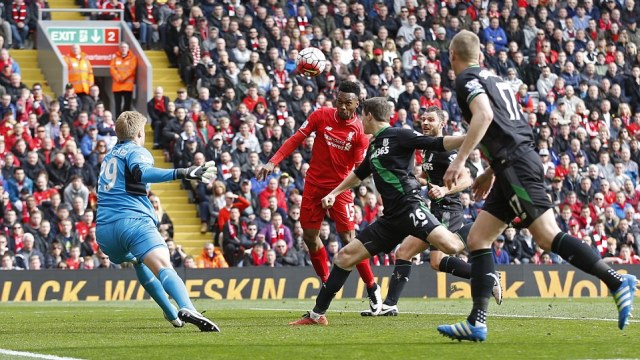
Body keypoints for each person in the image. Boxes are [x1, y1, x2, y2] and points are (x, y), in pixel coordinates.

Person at [437, 30, 636, 342]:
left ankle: (616, 281)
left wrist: (459, 161)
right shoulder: (497, 79)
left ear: (452, 55)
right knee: (477, 239)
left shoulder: (465, 80)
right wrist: (491, 171)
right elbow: (511, 126)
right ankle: (476, 322)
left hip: (515, 164)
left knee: (546, 236)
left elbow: (485, 116)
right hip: (510, 164)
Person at [289, 97, 467, 326]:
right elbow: (359, 173)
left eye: (362, 115)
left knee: (451, 246)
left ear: (370, 116)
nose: (360, 120)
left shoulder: (400, 134)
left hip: (410, 207)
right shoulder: (373, 145)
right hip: (391, 218)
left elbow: (437, 143)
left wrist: (469, 138)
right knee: (344, 257)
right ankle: (316, 315)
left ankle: (482, 232)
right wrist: (335, 192)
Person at [360, 106, 502, 317]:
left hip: (448, 209)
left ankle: (486, 273)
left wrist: (444, 189)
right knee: (424, 258)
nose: (425, 123)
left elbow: (465, 180)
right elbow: (435, 179)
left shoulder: (448, 149)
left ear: (441, 124)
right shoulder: (426, 149)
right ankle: (390, 304)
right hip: (435, 207)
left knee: (408, 252)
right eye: (423, 119)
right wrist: (419, 181)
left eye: (431, 120)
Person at [257, 81, 383, 313]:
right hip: (314, 187)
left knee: (350, 241)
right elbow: (295, 138)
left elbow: (358, 170)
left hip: (341, 189)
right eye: (340, 102)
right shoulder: (321, 116)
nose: (343, 107)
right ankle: (327, 283)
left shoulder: (359, 133)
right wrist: (273, 161)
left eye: (348, 103)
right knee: (310, 237)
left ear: (357, 104)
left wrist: (342, 192)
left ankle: (372, 287)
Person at [96, 111, 220, 332]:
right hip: (133, 222)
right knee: (163, 265)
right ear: (140, 133)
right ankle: (187, 306)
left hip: (105, 233)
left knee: (138, 261)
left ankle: (171, 314)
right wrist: (183, 172)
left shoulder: (109, 157)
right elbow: (142, 172)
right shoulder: (137, 151)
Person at [109, 42, 138, 117]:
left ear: (128, 48)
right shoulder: (115, 58)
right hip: (117, 86)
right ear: (119, 48)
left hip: (128, 86)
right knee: (117, 106)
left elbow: (132, 69)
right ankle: (118, 121)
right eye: (122, 47)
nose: (123, 48)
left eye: (125, 47)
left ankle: (125, 121)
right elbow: (112, 69)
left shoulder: (133, 58)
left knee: (127, 105)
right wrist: (118, 77)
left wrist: (123, 77)